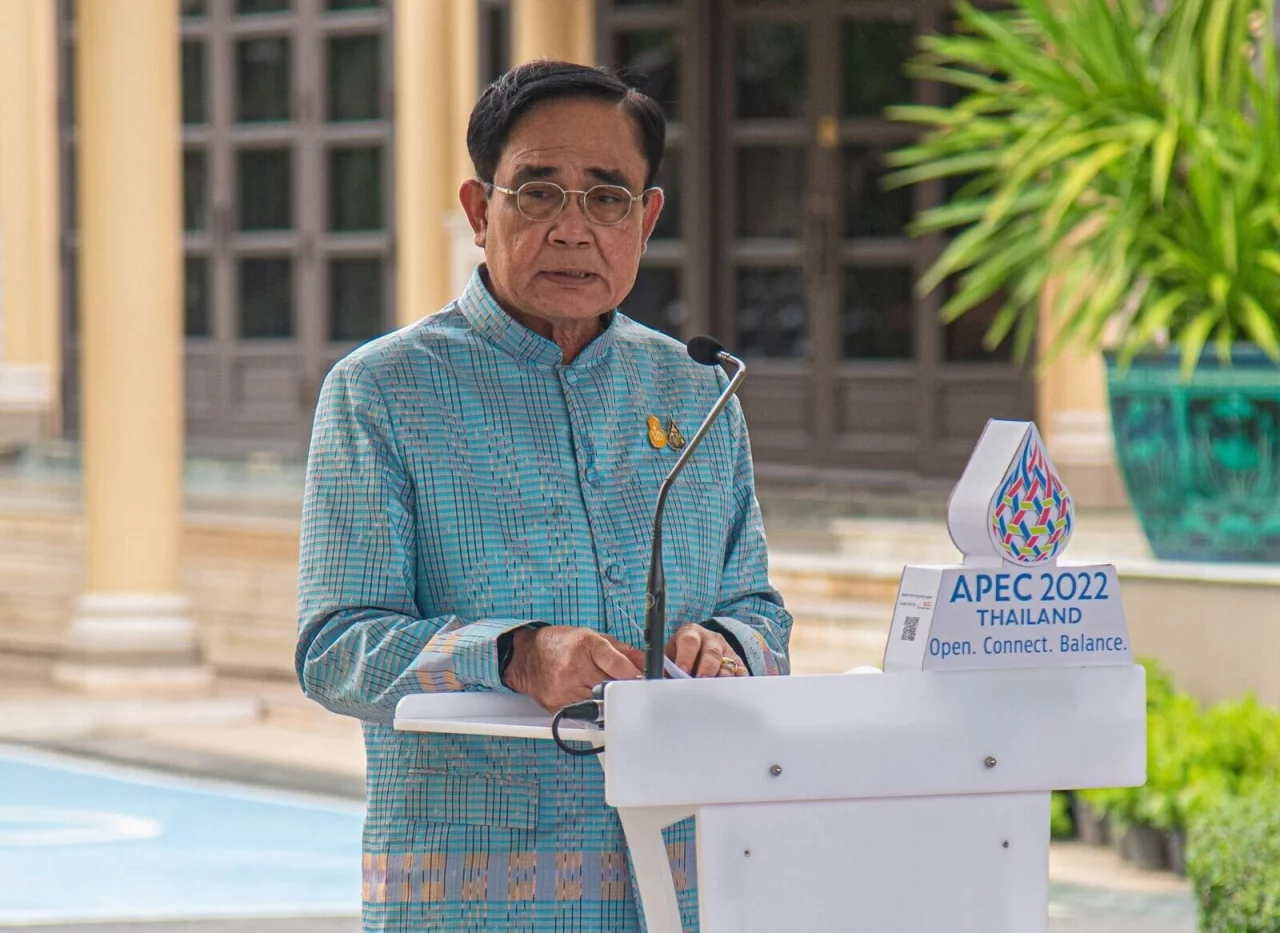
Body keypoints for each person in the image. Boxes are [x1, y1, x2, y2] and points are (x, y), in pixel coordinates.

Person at [296, 60, 792, 933]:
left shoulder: (695, 390)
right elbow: (335, 648)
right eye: (537, 193)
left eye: (606, 197)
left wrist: (725, 645)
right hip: (477, 894)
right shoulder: (383, 393)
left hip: (686, 881)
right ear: (478, 210)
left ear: (647, 218)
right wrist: (515, 653)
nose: (573, 229)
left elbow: (761, 610)